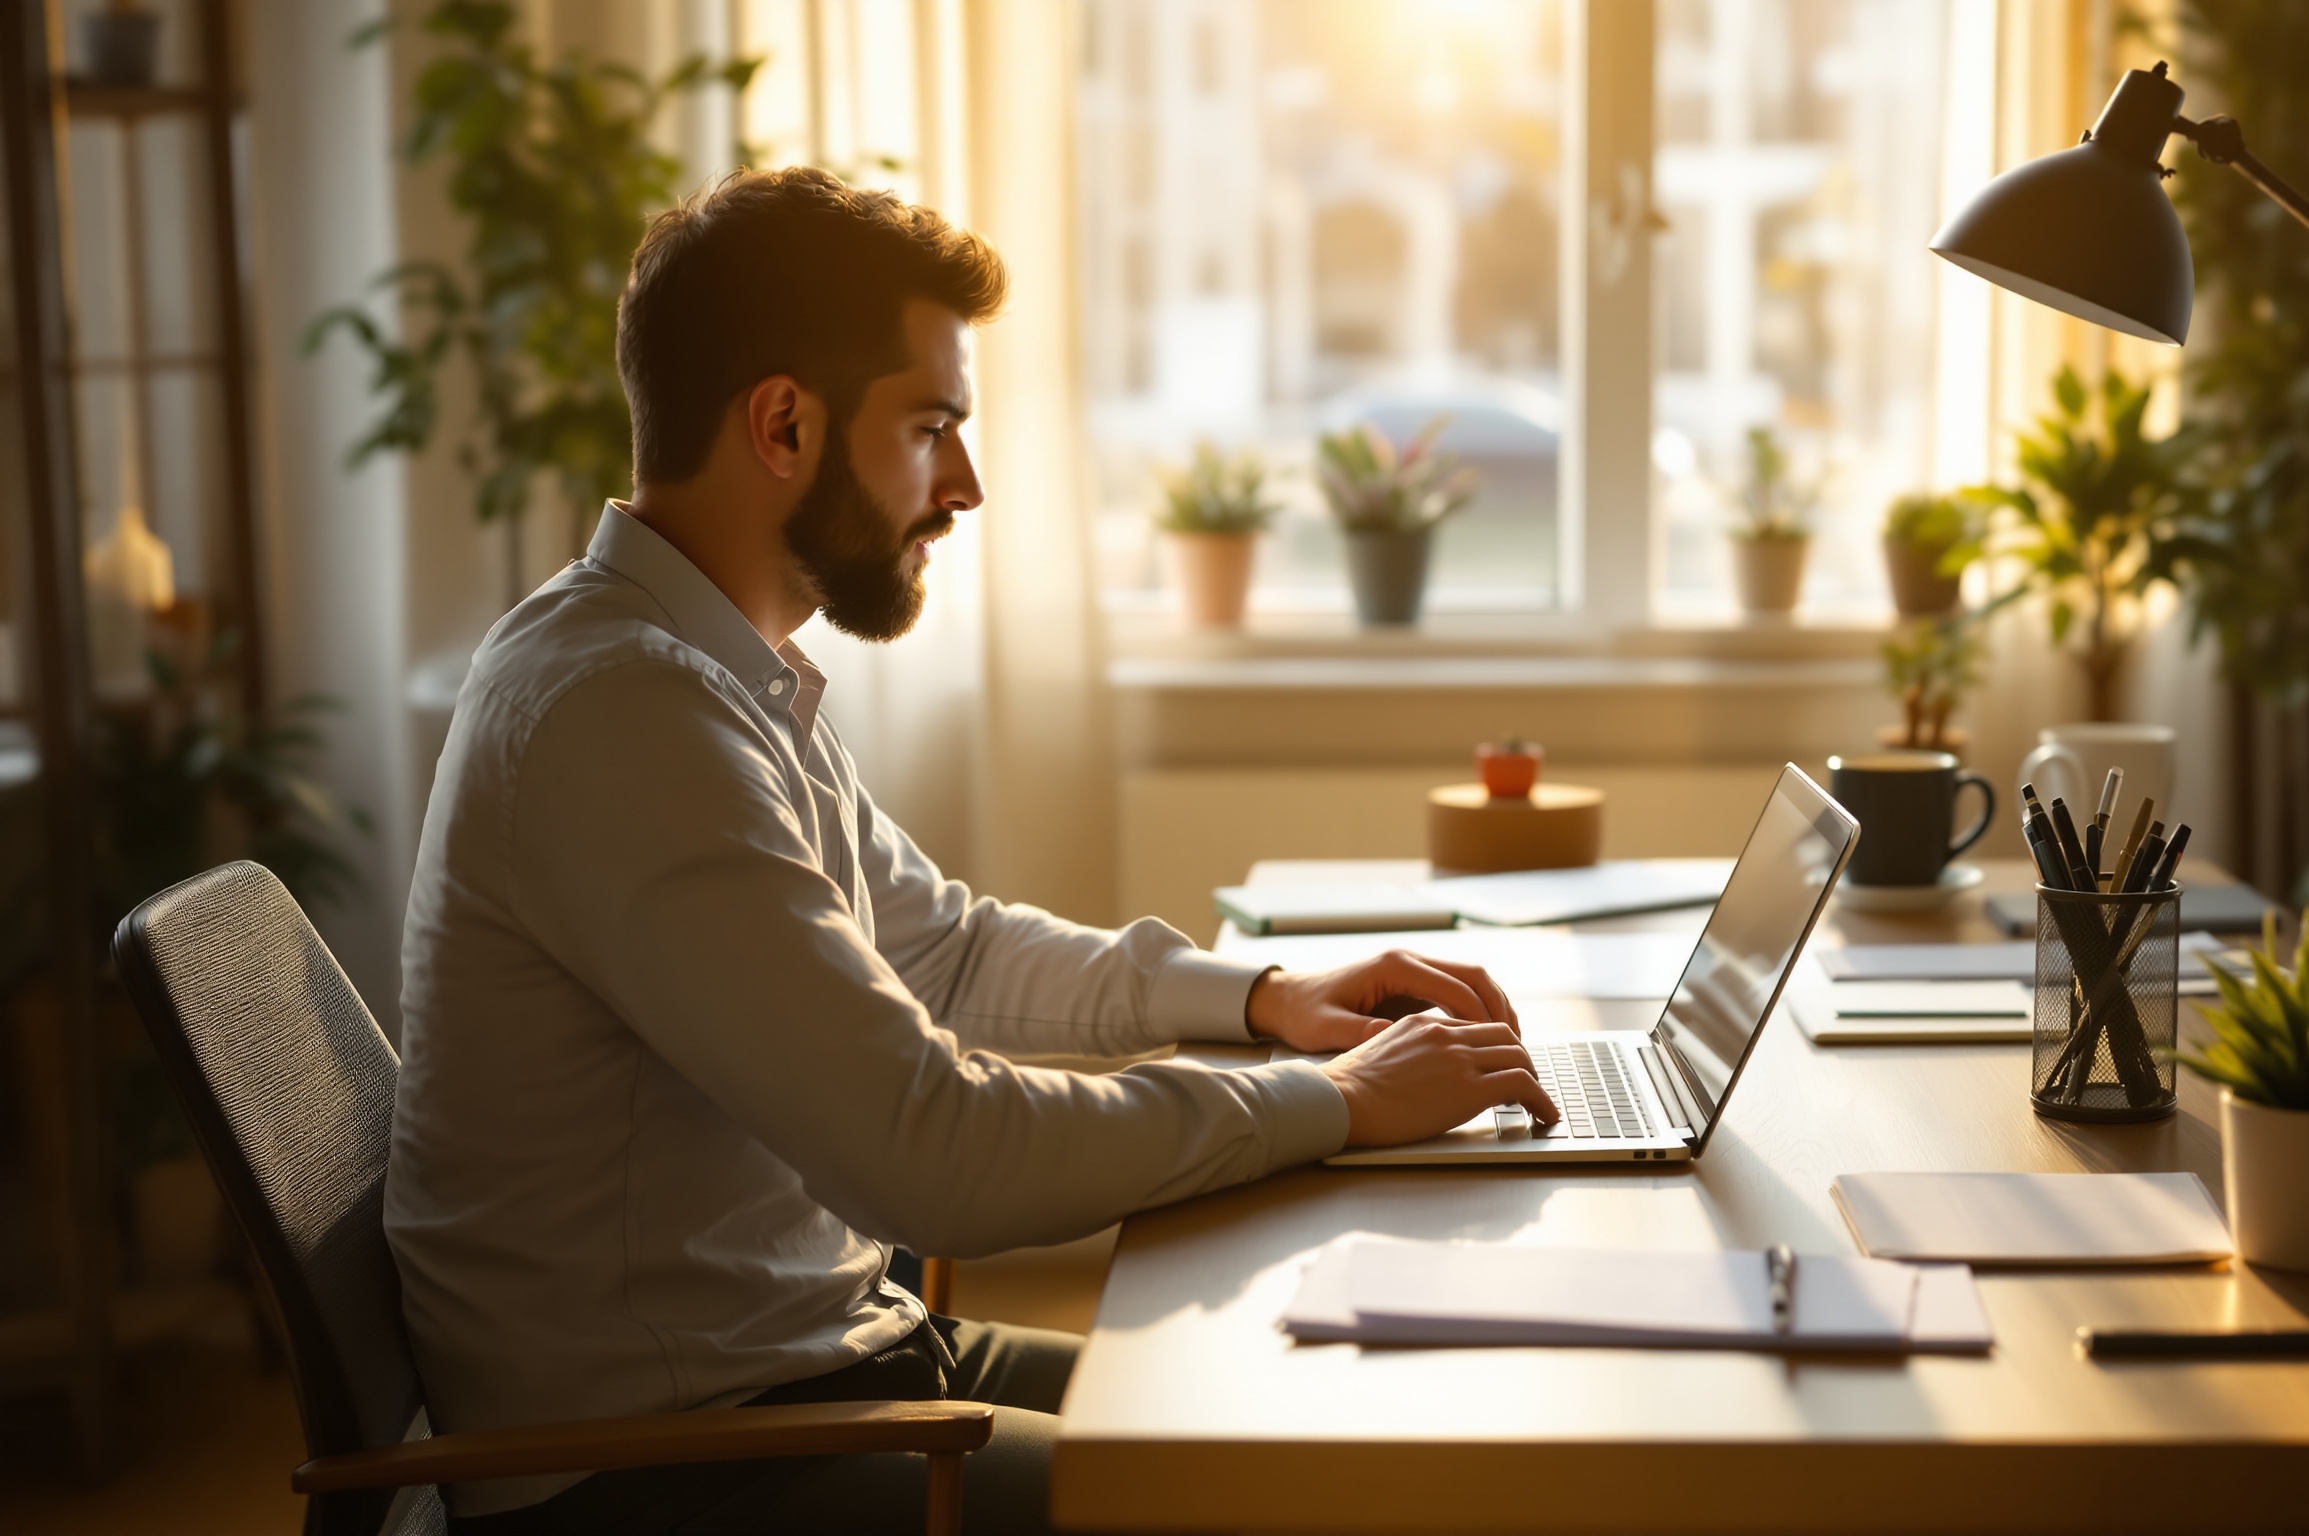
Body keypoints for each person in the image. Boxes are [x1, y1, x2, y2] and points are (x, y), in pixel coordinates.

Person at [387, 165, 1556, 1536]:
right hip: (669, 1470)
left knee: (1303, 1409)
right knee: (1300, 1493)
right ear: (783, 423)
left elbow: (941, 951)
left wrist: (1262, 999)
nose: (967, 485)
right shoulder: (623, 714)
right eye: (931, 427)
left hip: (819, 1364)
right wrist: (1334, 1102)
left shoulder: (707, 671)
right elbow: (927, 1152)